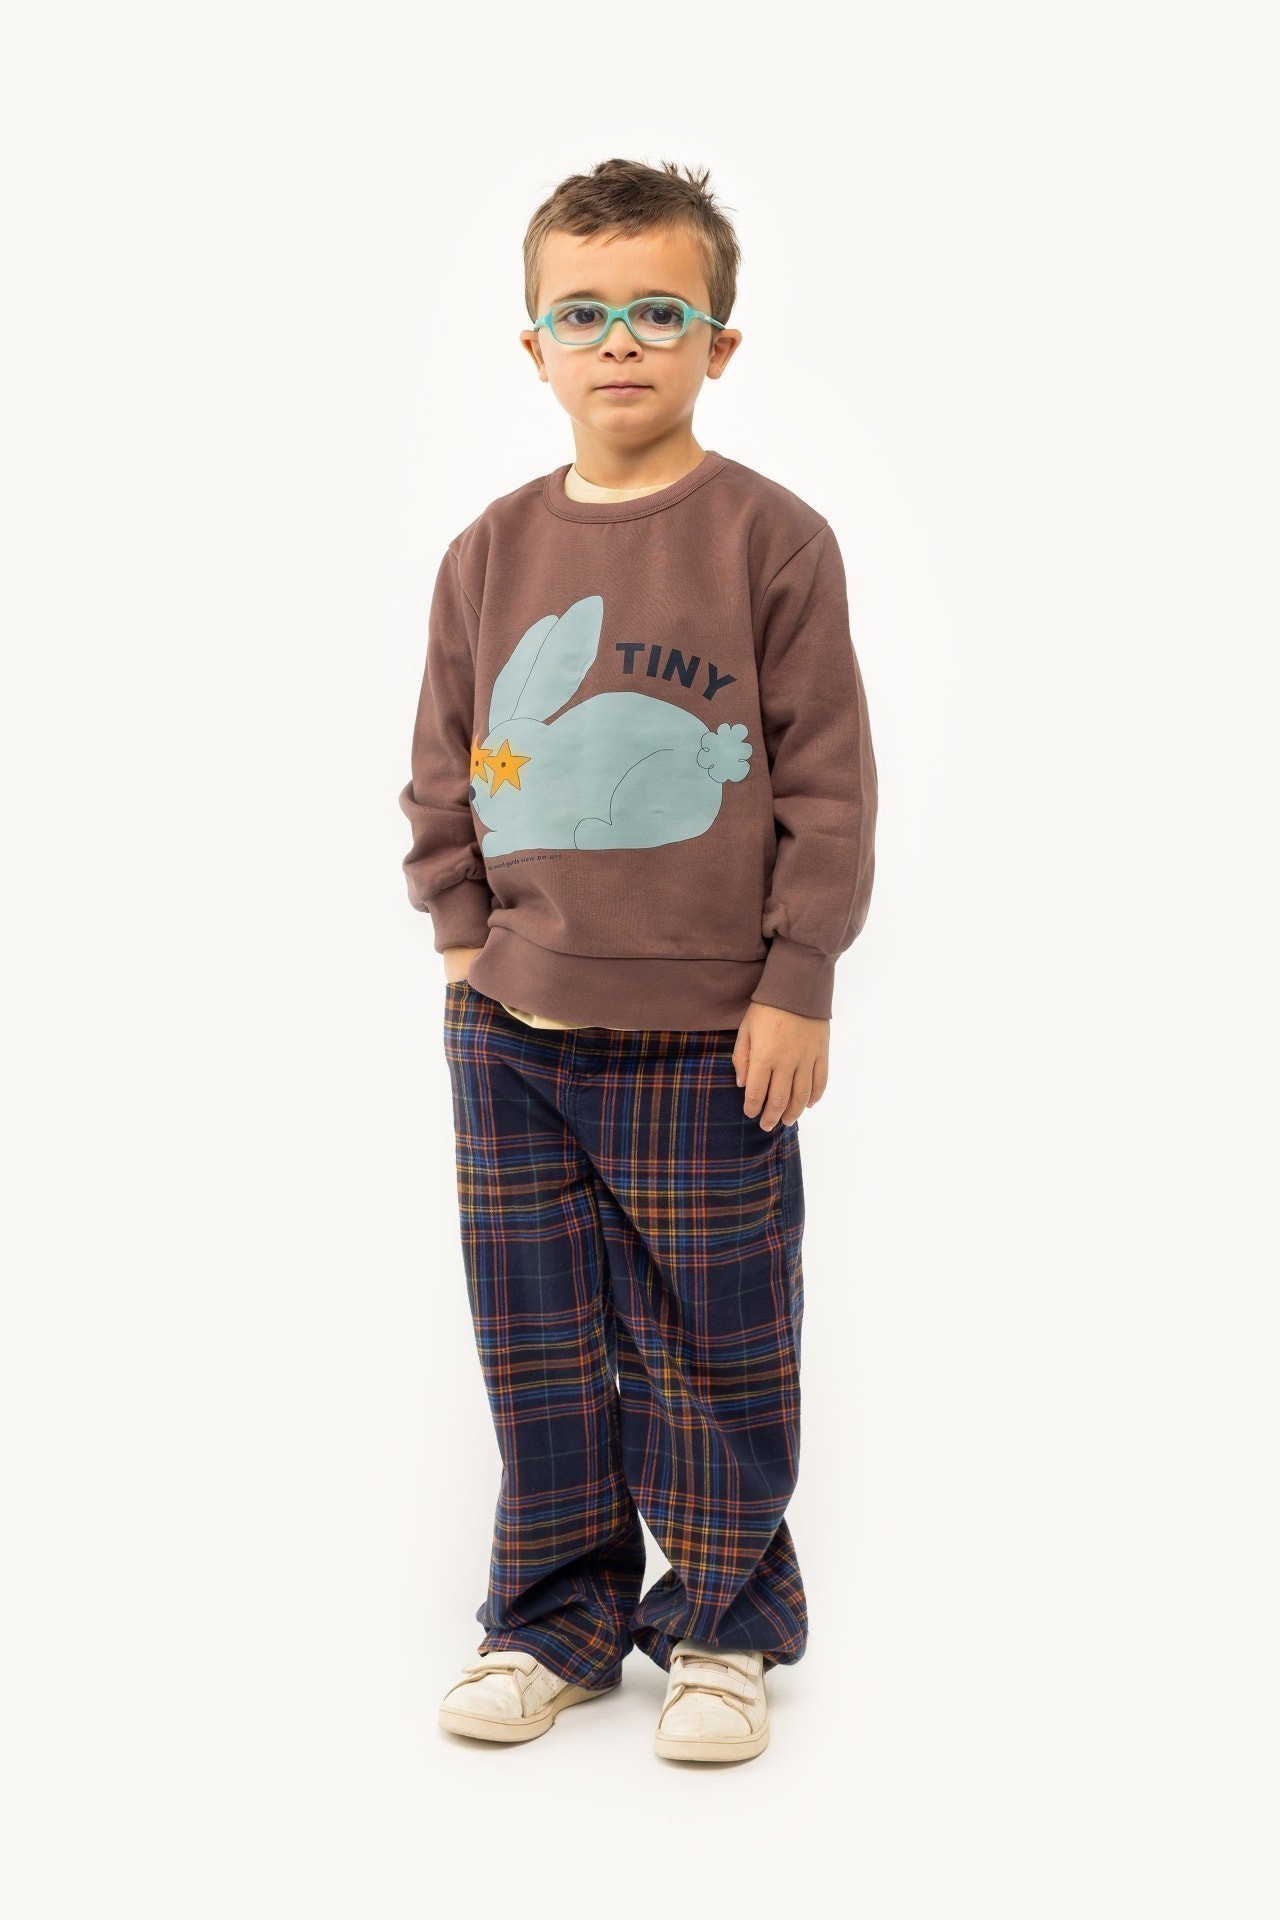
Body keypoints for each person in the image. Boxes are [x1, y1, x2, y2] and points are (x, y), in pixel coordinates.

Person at [398, 156, 878, 1763]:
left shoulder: (771, 540)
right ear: (532, 344)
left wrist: (798, 977)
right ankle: (552, 1619)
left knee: (714, 1341)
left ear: (719, 344)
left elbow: (828, 783)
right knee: (538, 1339)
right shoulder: (489, 552)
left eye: (660, 312)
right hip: (514, 1026)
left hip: (709, 1034)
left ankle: (723, 1623)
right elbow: (445, 759)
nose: (620, 340)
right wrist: (461, 940)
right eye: (583, 312)